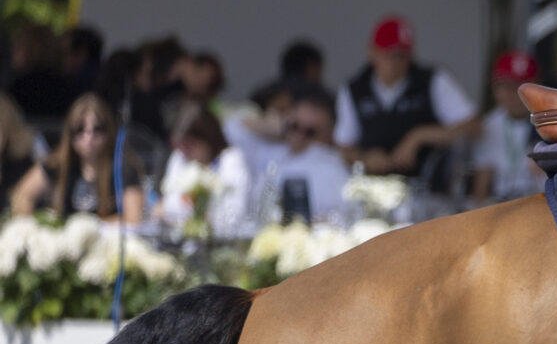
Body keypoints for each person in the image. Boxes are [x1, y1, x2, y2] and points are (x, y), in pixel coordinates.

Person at [333, 15, 480, 184]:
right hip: (374, 192)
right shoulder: (354, 89)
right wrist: (366, 158)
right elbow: (343, 147)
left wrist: (420, 136)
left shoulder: (432, 80)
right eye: (388, 54)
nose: (395, 62)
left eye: (401, 55)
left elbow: (473, 126)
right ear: (372, 52)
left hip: (427, 190)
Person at [9, 92, 146, 222]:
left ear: (109, 131)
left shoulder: (122, 167)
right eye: (79, 129)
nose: (88, 137)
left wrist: (89, 228)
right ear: (69, 133)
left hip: (106, 241)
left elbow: (133, 219)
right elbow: (21, 196)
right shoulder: (57, 163)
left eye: (97, 129)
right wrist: (32, 229)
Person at [258, 85, 354, 225]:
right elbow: (234, 128)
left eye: (310, 131)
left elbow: (344, 217)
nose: (299, 135)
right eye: (294, 126)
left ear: (329, 134)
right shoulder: (271, 152)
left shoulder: (334, 168)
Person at [159, 102, 251, 236]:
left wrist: (191, 216)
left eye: (190, 145)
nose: (184, 151)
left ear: (208, 138)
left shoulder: (231, 159)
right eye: (179, 145)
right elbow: (168, 207)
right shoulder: (179, 157)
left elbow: (233, 215)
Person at [472, 50, 546, 200]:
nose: (512, 94)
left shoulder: (551, 122)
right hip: (502, 204)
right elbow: (481, 185)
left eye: (518, 86)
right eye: (503, 86)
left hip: (542, 203)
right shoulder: (489, 125)